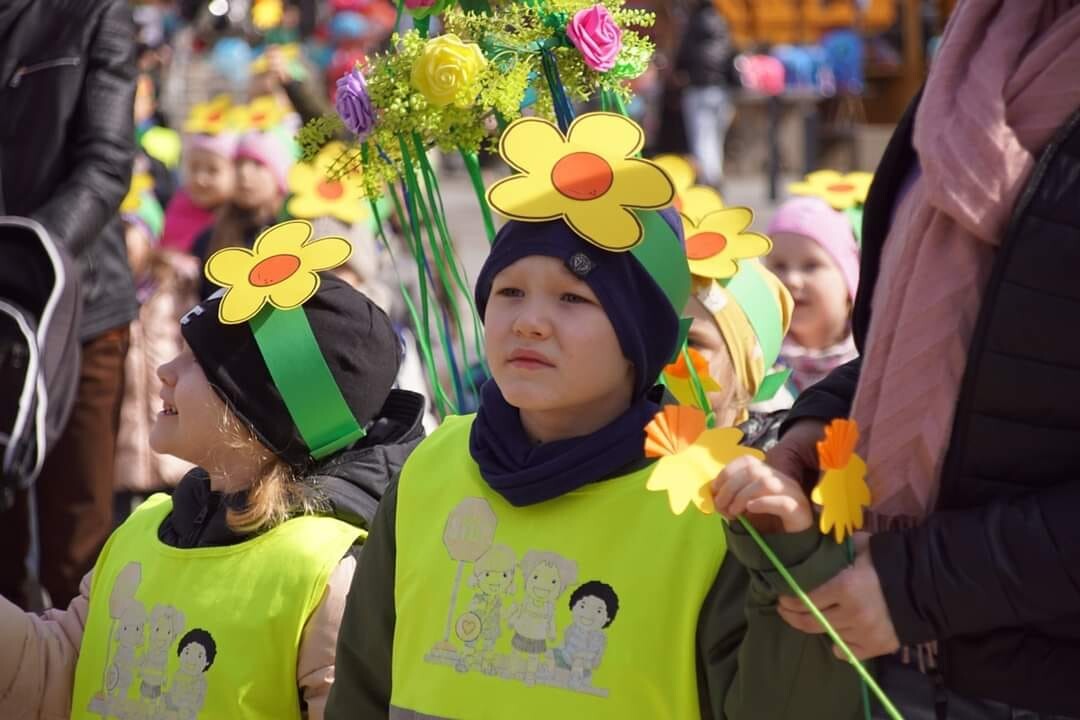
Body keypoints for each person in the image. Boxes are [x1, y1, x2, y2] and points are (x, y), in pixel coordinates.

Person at [326, 114, 860, 718]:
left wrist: (791, 560)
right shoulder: (429, 470)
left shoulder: (713, 504)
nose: (530, 322)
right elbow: (362, 690)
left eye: (573, 297)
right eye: (509, 291)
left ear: (642, 339)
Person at [766, 3, 1080, 716]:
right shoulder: (977, 52)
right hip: (896, 656)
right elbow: (938, 341)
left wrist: (921, 587)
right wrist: (823, 424)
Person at [0, 233, 426, 718]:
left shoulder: (328, 575)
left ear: (259, 412)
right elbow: (60, 671)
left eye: (197, 361)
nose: (166, 370)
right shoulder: (145, 529)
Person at [0, 0, 138, 611]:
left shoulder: (93, 13)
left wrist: (24, 260)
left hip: (80, 311)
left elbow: (106, 165)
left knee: (77, 551)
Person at [764, 197, 859, 395]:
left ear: (848, 276)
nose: (792, 280)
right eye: (779, 265)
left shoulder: (870, 358)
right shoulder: (756, 359)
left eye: (811, 266)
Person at [193, 130, 295, 297]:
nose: (244, 174)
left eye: (258, 164)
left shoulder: (295, 231)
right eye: (238, 164)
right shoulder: (212, 236)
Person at [674, 0, 737, 189]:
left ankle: (709, 180)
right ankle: (715, 176)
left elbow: (682, 58)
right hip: (721, 90)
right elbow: (731, 56)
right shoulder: (723, 24)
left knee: (701, 138)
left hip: (698, 88)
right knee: (716, 138)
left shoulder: (692, 26)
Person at [161, 131, 238, 254]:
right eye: (194, 168)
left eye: (213, 170)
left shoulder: (238, 219)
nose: (200, 179)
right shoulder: (178, 207)